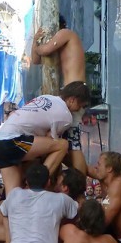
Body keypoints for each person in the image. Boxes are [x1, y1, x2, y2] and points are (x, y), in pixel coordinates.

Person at [0, 82, 90, 191]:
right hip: (11, 141)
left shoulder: (47, 97)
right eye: (81, 106)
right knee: (62, 145)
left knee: (14, 197)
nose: (80, 110)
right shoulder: (65, 116)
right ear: (72, 100)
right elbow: (51, 142)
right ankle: (37, 183)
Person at [31, 17, 87, 173]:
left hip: (76, 93)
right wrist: (35, 40)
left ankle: (81, 178)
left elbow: (44, 50)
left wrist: (38, 45)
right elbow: (36, 60)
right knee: (64, 142)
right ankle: (78, 174)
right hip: (67, 95)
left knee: (74, 143)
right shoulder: (59, 40)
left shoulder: (66, 33)